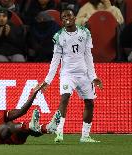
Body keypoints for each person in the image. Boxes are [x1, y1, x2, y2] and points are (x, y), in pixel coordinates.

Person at [40, 8, 103, 143]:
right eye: (63, 17)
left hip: (84, 74)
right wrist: (47, 80)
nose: (66, 18)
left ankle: (85, 136)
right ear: (61, 21)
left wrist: (93, 76)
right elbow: (55, 60)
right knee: (64, 98)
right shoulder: (58, 36)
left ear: (74, 18)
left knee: (90, 103)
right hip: (67, 74)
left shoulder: (85, 32)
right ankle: (59, 133)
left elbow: (88, 55)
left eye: (69, 15)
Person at [0, 67, 61, 145]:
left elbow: (22, 111)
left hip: (9, 138)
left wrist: (34, 94)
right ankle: (33, 126)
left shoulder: (2, 112)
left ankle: (48, 128)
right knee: (7, 126)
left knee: (26, 128)